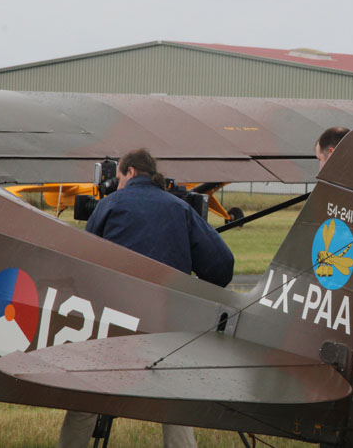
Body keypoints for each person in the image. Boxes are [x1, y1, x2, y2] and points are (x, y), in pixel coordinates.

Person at [58, 149, 234, 448]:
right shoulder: (180, 208)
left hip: (113, 327)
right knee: (175, 405)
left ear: (129, 172)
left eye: (118, 178)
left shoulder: (109, 205)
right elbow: (222, 267)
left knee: (85, 399)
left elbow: (84, 266)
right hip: (167, 328)